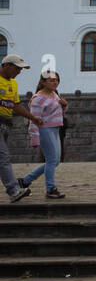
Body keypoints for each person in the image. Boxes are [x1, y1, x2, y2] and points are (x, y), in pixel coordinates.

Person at [0, 55, 43, 203]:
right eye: (17, 68)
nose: (19, 71)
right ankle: (13, 190)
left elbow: (16, 106)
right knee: (3, 157)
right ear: (6, 65)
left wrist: (33, 118)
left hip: (5, 124)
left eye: (21, 69)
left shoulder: (13, 84)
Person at [20, 70, 67, 199]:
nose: (55, 82)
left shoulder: (54, 94)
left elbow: (57, 112)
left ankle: (25, 180)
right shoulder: (38, 98)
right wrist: (34, 138)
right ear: (43, 81)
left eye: (56, 80)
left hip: (55, 129)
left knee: (55, 161)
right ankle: (50, 188)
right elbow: (34, 119)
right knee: (52, 160)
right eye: (52, 80)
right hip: (45, 130)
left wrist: (64, 106)